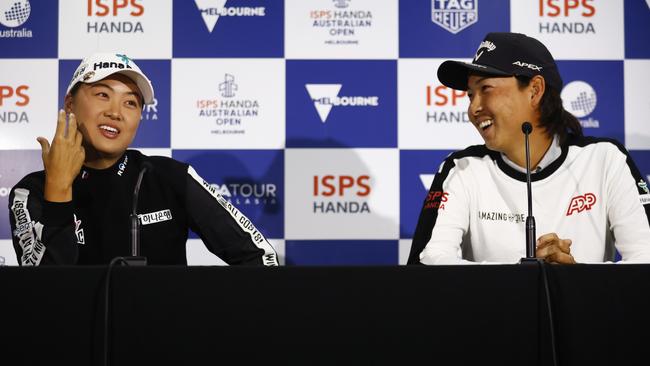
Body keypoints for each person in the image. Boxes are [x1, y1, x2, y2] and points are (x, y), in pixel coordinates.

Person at [8, 52, 279, 266]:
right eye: (103, 95)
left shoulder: (169, 177)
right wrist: (58, 190)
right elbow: (43, 291)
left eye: (131, 103)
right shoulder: (29, 191)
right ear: (70, 104)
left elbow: (259, 256)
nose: (116, 112)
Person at [408, 32, 650, 265]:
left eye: (486, 89)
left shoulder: (605, 159)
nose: (473, 108)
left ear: (534, 90)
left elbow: (646, 258)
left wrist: (575, 278)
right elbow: (426, 264)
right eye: (471, 95)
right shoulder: (462, 168)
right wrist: (521, 278)